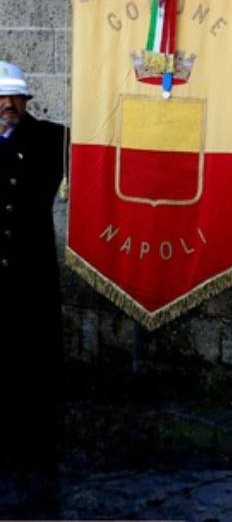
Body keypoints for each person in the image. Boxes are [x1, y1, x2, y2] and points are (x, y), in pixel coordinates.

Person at [0, 61, 67, 518]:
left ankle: (34, 444)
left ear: (28, 100)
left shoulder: (49, 137)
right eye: (2, 98)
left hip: (30, 267)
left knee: (34, 358)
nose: (8, 105)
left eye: (16, 97)